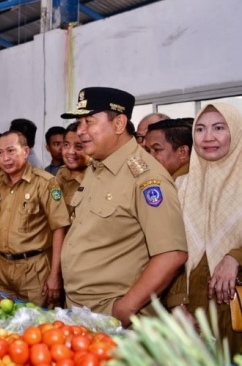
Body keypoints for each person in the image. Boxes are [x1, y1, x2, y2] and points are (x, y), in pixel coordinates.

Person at [60, 87, 187, 326]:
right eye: (78, 123)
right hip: (80, 311)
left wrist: (125, 309)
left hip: (112, 318)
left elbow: (172, 254)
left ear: (119, 124)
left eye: (89, 121)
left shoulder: (146, 178)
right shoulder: (96, 168)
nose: (80, 131)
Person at [167, 103, 242, 352]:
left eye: (219, 128)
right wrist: (177, 302)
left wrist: (234, 257)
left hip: (236, 305)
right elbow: (167, 247)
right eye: (200, 129)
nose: (208, 137)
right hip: (191, 304)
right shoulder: (180, 185)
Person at [0, 130, 70, 306]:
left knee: (38, 326)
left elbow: (59, 229)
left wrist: (55, 275)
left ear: (26, 151)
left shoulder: (46, 183)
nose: (5, 158)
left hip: (35, 271)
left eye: (11, 151)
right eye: (0, 152)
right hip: (2, 270)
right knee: (5, 325)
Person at [55, 122, 89, 220]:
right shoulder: (61, 172)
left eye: (78, 146)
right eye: (66, 145)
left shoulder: (95, 177)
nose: (70, 152)